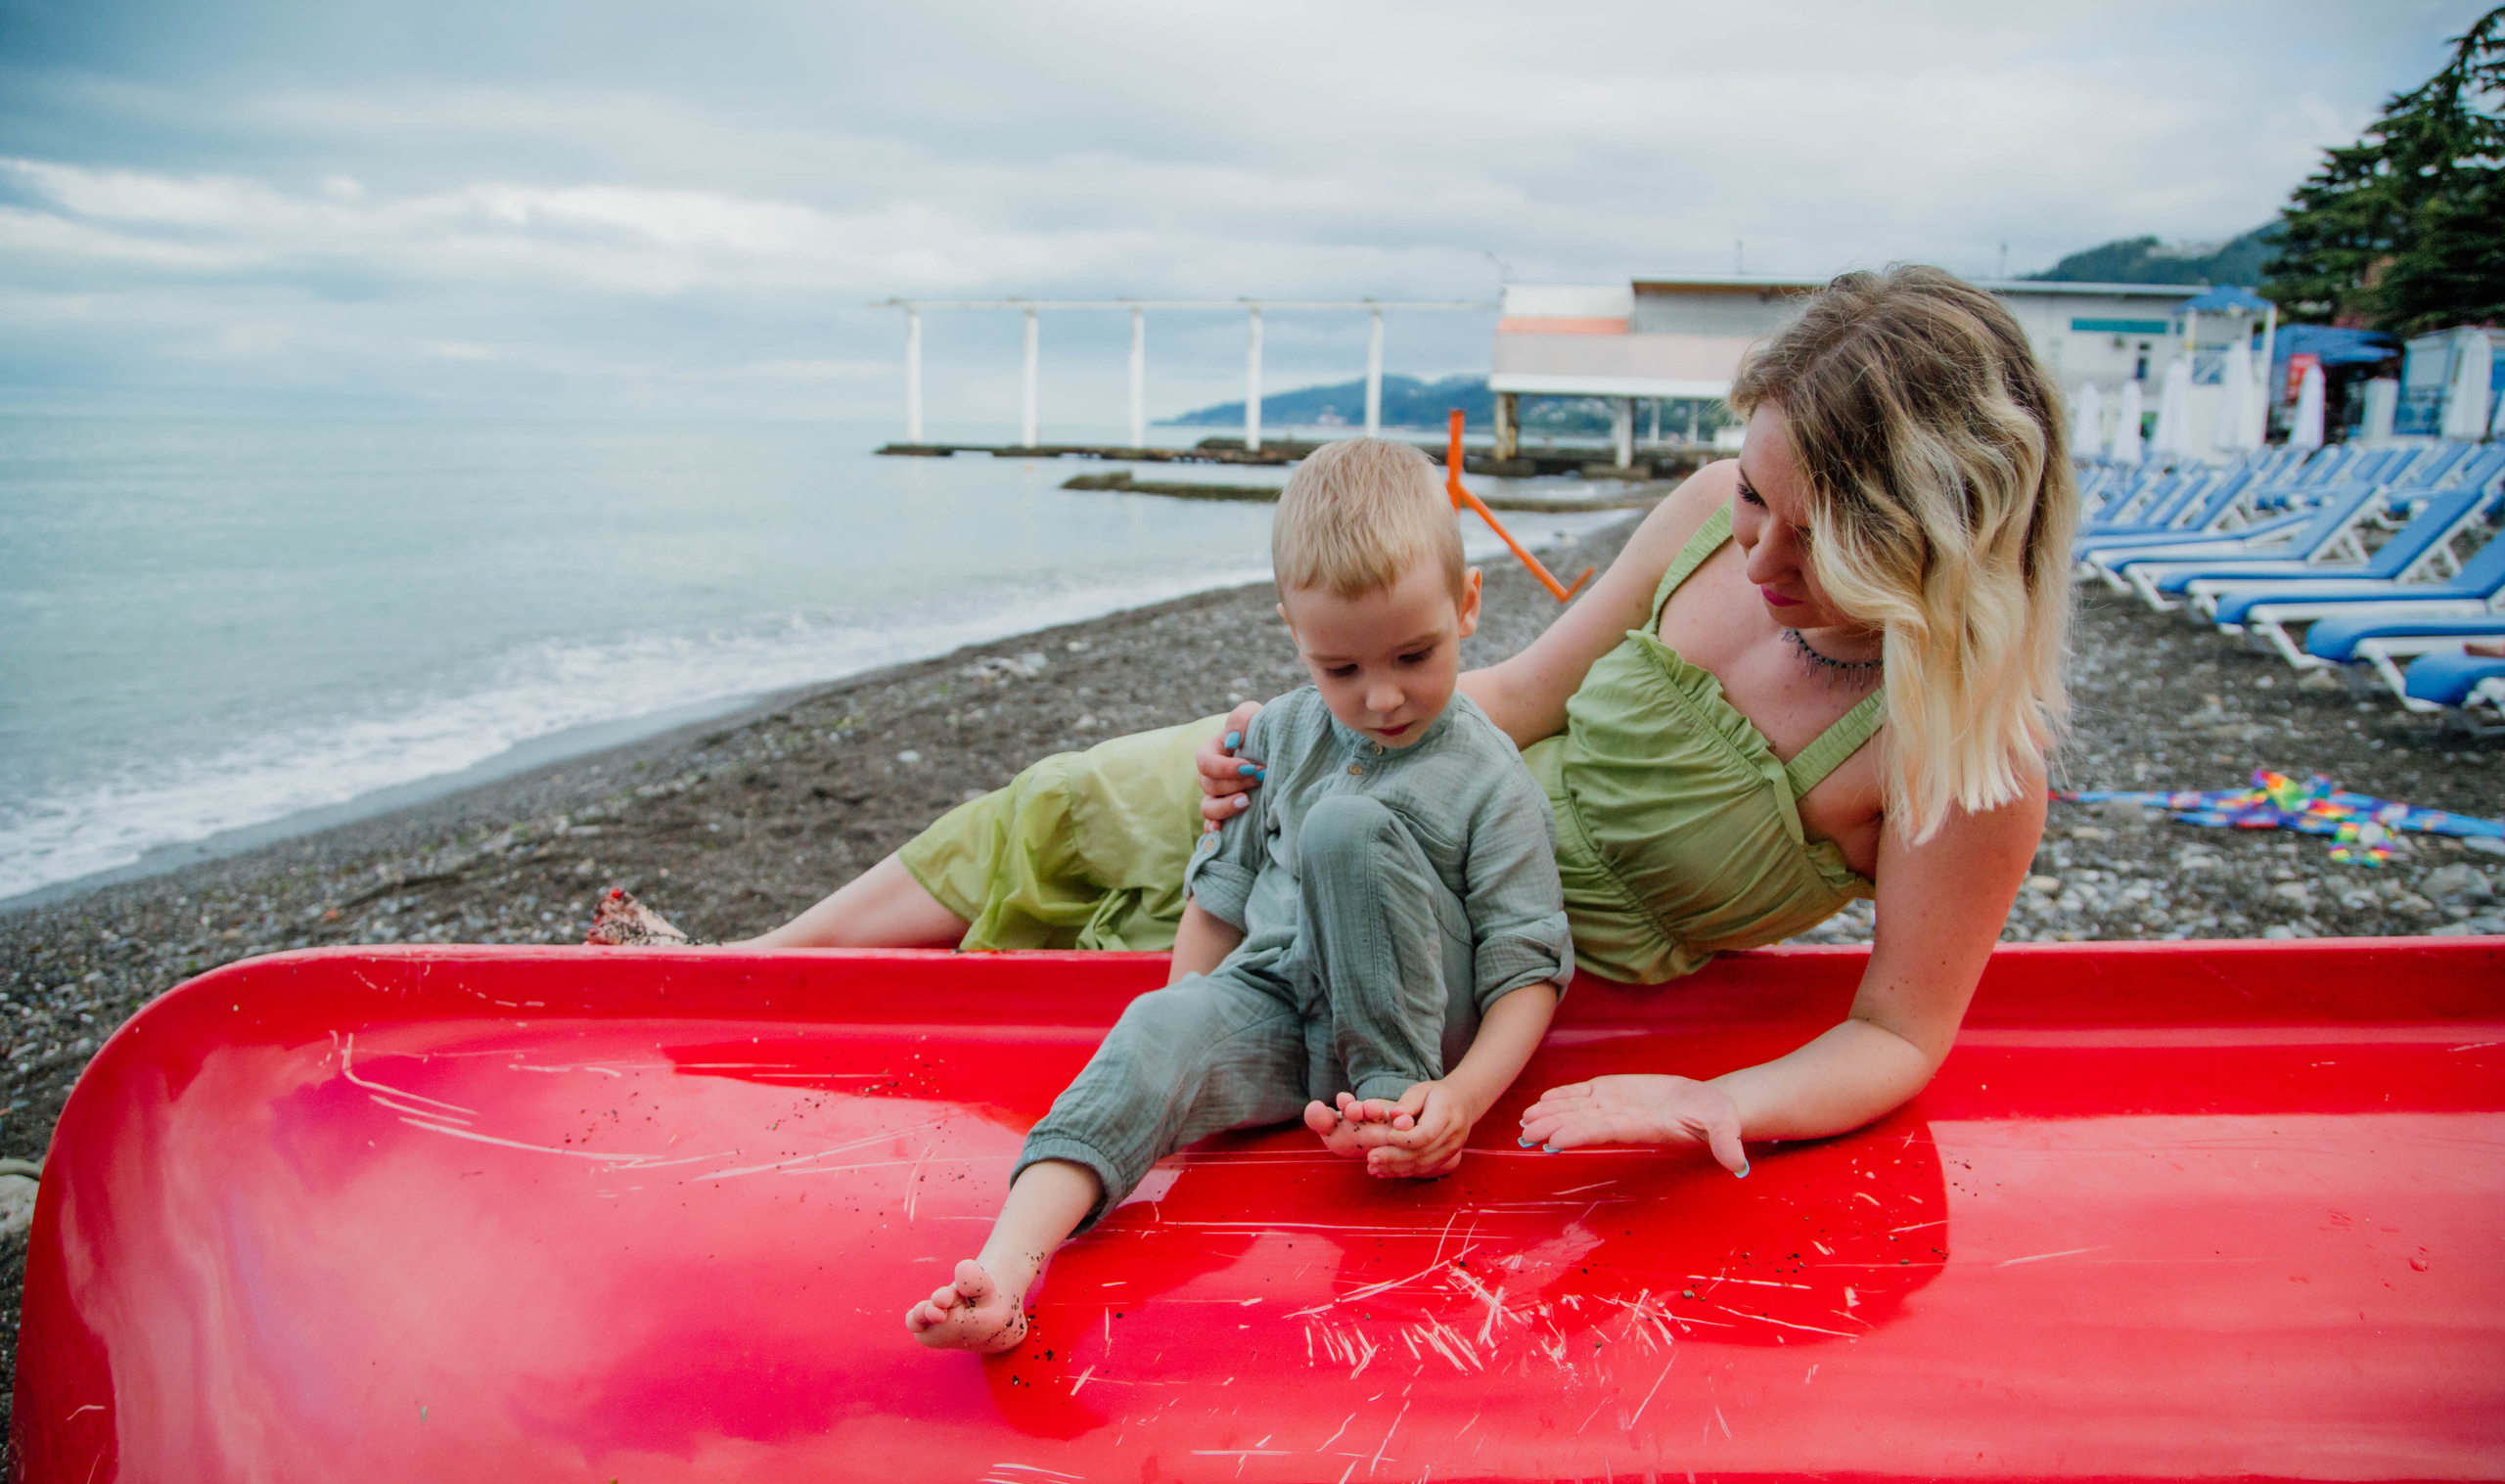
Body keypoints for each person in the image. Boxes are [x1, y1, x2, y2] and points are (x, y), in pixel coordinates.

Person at [604, 265, 2074, 1187]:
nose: (1758, 562)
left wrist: (1718, 1094)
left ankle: (756, 1035)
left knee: (1120, 962)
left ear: (1930, 551)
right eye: (1757, 495)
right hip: (1418, 753)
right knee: (1072, 797)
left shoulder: (1960, 756)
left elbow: (1897, 1027)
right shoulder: (1703, 519)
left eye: (1817, 549)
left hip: (1467, 929)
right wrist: (1299, 728)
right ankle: (735, 975)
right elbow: (1512, 695)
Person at [903, 438, 1572, 1352]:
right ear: (1296, 637)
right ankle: (1005, 1275)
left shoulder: (1486, 774)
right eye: (1340, 669)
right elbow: (1220, 901)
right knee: (1151, 1025)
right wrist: (1182, 1030)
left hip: (1414, 1038)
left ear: (1467, 606)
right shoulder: (1275, 735)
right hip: (1282, 1013)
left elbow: (1528, 964)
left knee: (1345, 826)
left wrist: (1460, 1099)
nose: (1381, 697)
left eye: (1414, 655)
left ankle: (1395, 1111)